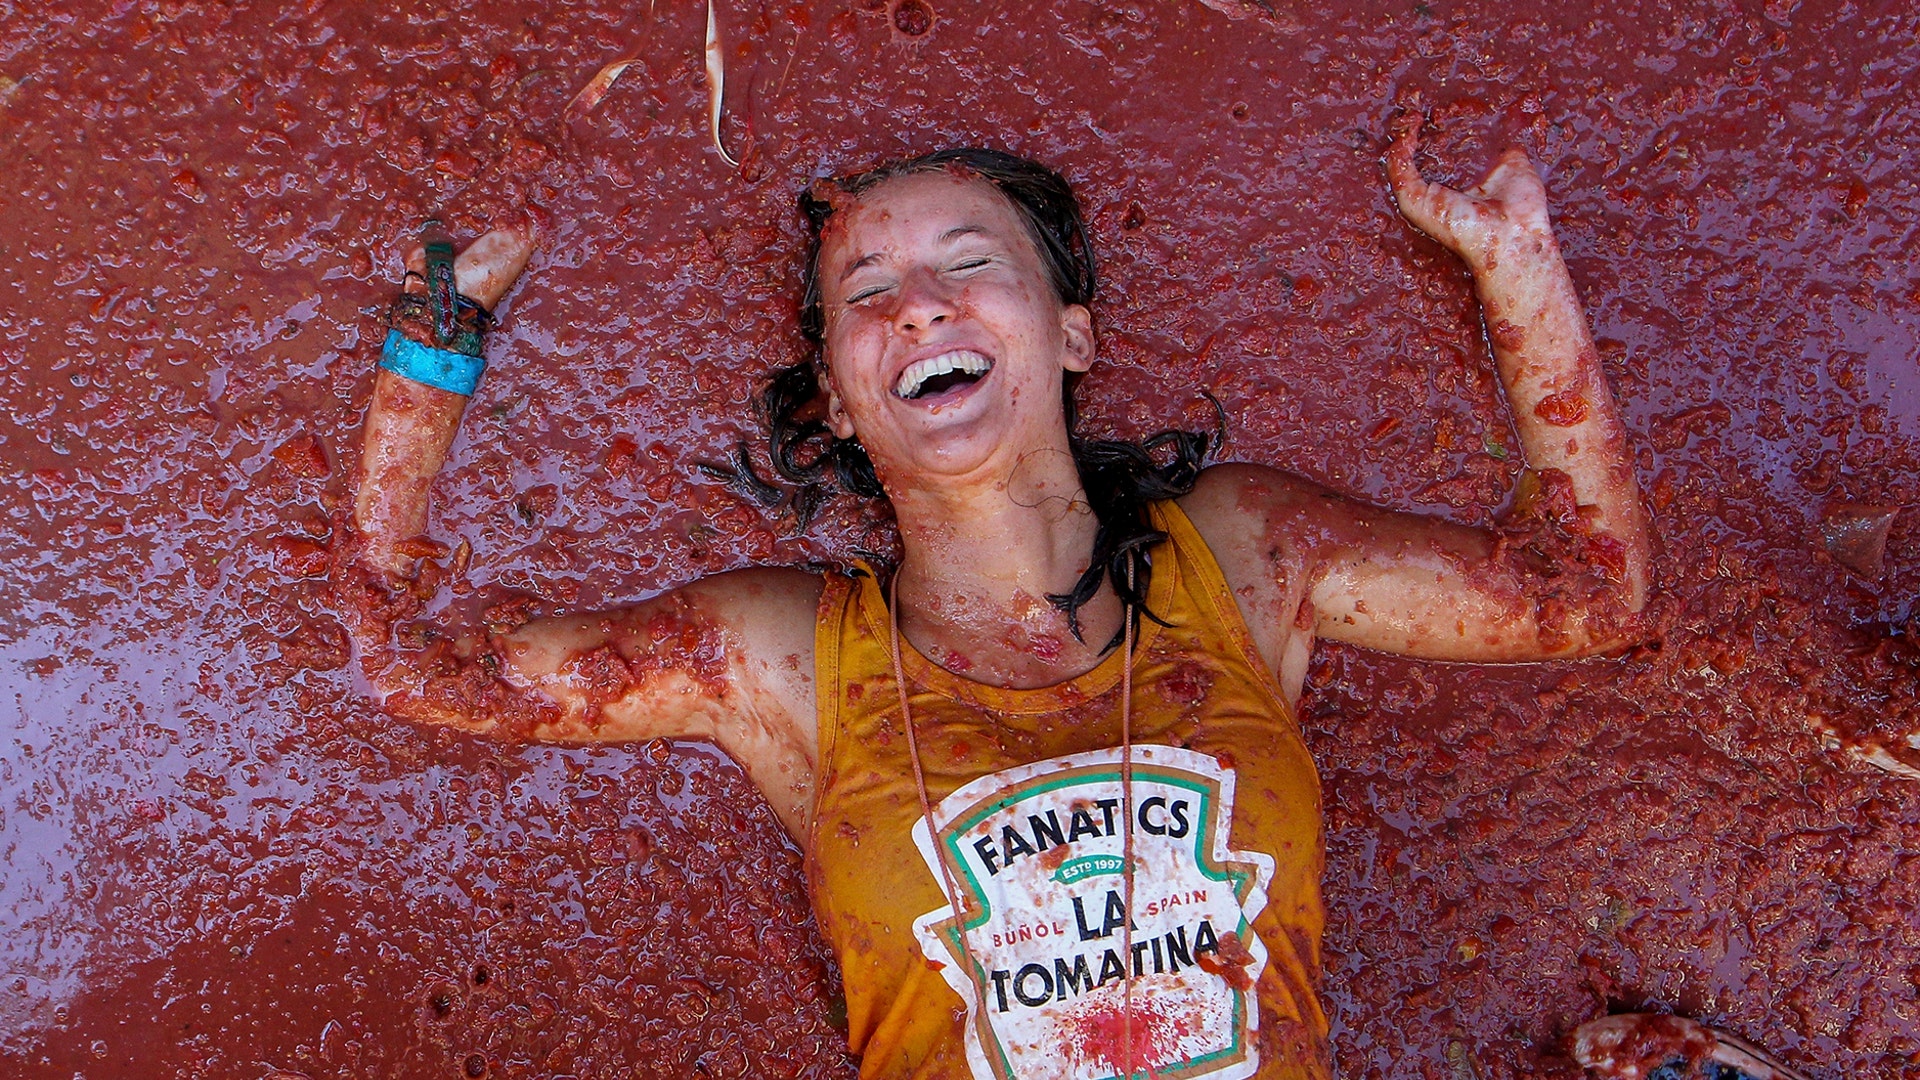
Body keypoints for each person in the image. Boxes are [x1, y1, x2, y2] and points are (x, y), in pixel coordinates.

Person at [345, 110, 1652, 1080]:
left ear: (1071, 332)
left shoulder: (1245, 559)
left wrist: (1518, 268)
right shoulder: (781, 659)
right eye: (867, 294)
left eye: (969, 265)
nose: (917, 307)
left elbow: (1580, 597)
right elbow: (417, 665)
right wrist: (435, 343)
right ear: (842, 404)